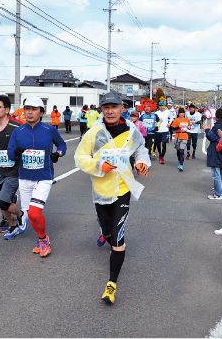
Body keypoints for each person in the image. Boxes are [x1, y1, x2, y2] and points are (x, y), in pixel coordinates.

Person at [75, 92, 151, 304]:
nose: (110, 111)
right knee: (107, 232)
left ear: (122, 109)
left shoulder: (131, 132)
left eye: (114, 107)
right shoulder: (94, 132)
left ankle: (111, 285)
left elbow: (141, 149)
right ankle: (109, 241)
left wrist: (142, 161)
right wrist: (98, 165)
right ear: (101, 110)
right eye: (106, 107)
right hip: (101, 190)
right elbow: (79, 157)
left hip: (122, 189)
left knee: (117, 237)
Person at [7, 96, 67, 257]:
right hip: (24, 178)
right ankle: (41, 239)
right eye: (27, 109)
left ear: (41, 112)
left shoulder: (50, 130)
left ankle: (43, 239)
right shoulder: (17, 131)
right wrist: (15, 152)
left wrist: (58, 153)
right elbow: (10, 155)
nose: (30, 112)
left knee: (34, 213)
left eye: (34, 109)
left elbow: (62, 144)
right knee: (29, 214)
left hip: (44, 177)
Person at [0, 95, 27, 240]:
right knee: (0, 202)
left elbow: (27, 145)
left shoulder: (17, 127)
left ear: (7, 109)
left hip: (13, 170)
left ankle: (20, 214)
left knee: (3, 200)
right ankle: (13, 225)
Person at [203, 108, 222, 200]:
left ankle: (218, 193)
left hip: (216, 150)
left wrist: (206, 130)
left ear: (217, 117)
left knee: (216, 174)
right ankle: (221, 191)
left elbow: (212, 137)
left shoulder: (218, 125)